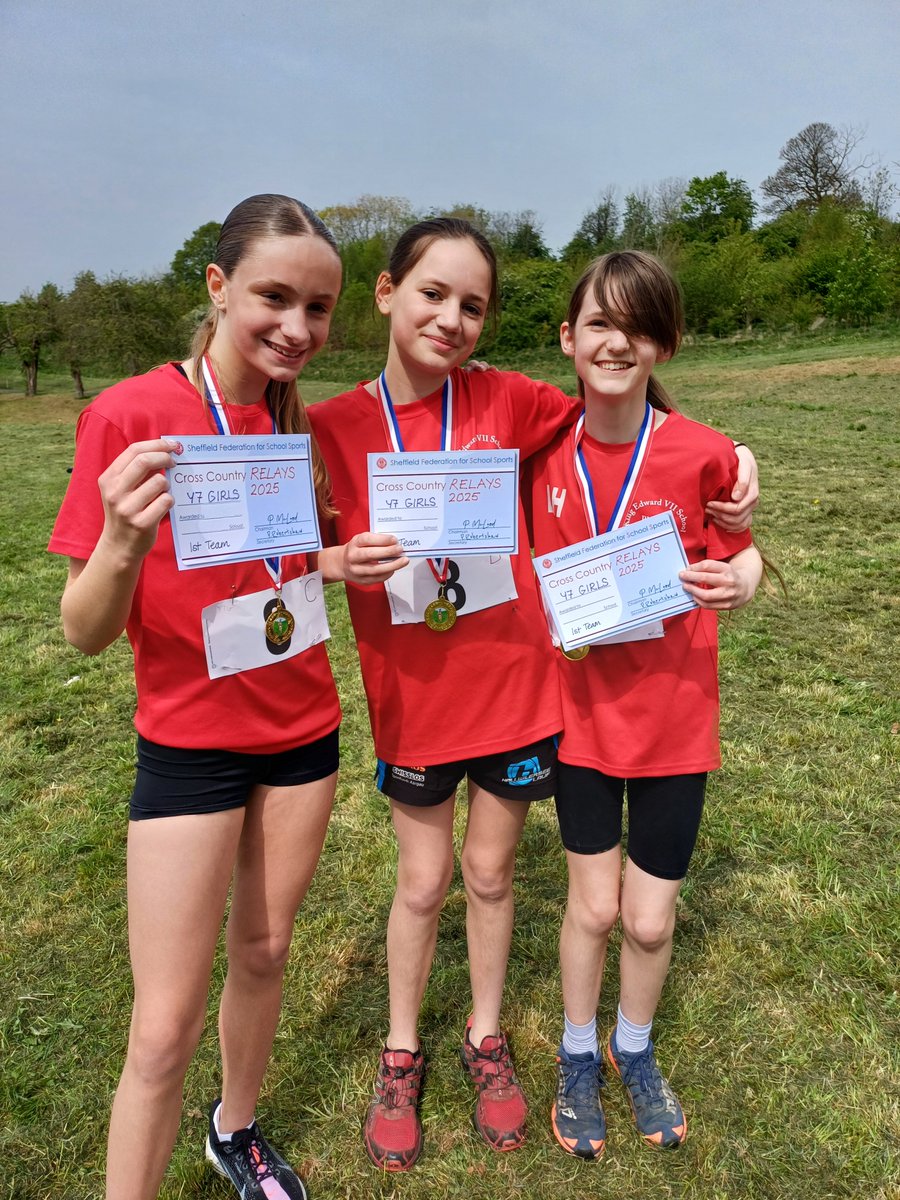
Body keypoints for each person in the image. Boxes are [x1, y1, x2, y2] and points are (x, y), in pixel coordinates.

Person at [309, 218, 760, 1171]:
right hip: (415, 698)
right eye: (433, 293)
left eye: (473, 304)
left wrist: (739, 482)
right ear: (386, 293)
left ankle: (485, 1037)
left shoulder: (514, 402)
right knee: (422, 883)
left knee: (489, 877)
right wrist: (325, 560)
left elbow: (632, 424)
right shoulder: (328, 429)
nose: (452, 317)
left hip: (519, 695)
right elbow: (275, 551)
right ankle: (401, 1048)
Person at [48, 194, 393, 1200]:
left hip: (302, 729)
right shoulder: (128, 413)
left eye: (318, 308)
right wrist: (120, 540)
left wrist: (330, 559)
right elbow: (82, 630)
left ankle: (234, 1130)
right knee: (160, 1030)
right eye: (274, 297)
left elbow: (260, 571)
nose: (297, 327)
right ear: (217, 286)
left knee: (267, 948)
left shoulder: (292, 421)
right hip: (192, 743)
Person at [526, 250, 764, 1162]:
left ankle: (632, 1046)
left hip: (673, 718)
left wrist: (739, 578)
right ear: (569, 338)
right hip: (580, 720)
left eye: (637, 326)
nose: (615, 341)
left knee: (651, 917)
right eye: (598, 323)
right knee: (592, 909)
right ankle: (577, 1053)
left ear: (662, 342)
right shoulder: (540, 455)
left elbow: (742, 549)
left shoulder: (704, 452)